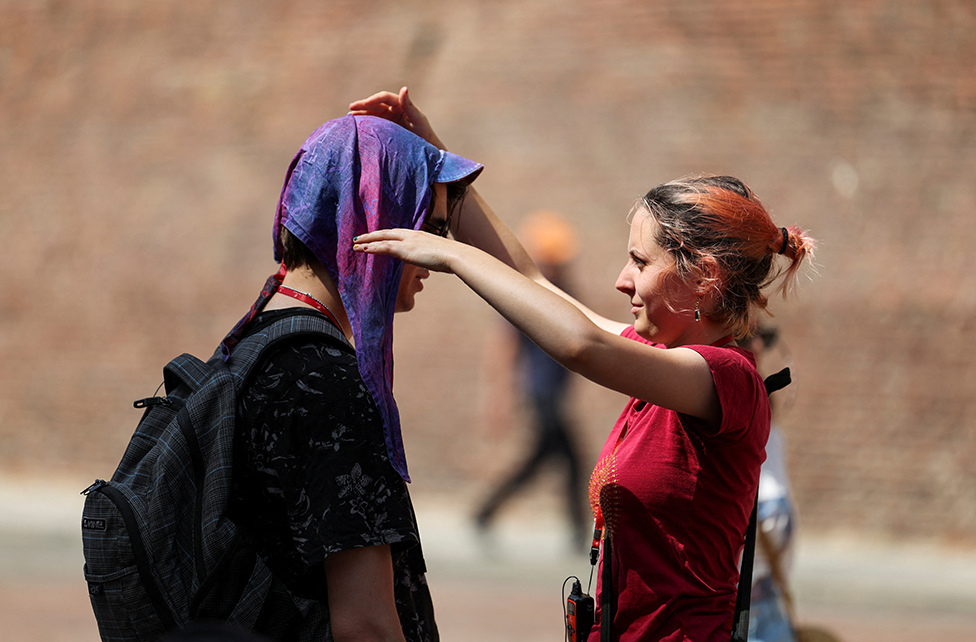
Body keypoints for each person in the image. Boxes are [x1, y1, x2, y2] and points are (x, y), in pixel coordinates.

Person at [349, 87, 817, 642]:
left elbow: (581, 346)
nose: (621, 280)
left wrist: (451, 254)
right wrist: (438, 161)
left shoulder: (729, 378)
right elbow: (536, 282)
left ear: (704, 279)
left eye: (640, 262)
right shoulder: (666, 360)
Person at [221, 113, 485, 642]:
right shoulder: (326, 382)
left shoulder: (252, 343)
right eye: (429, 230)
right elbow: (365, 625)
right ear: (376, 220)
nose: (436, 257)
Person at [475, 211, 588, 548]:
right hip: (541, 394)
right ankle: (577, 531)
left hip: (552, 394)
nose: (557, 267)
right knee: (569, 460)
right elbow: (505, 348)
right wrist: (499, 399)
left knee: (545, 460)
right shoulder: (529, 295)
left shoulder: (565, 291)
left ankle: (486, 512)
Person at [744, 327, 799, 642]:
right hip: (742, 601)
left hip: (764, 596)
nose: (758, 343)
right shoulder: (741, 400)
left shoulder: (765, 415)